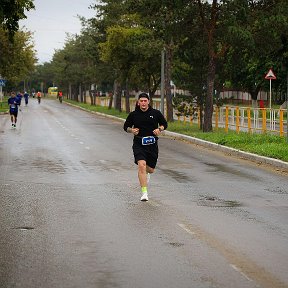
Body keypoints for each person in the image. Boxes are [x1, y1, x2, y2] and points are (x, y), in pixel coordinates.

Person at [123, 92, 168, 201]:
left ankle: (147, 173)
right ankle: (144, 193)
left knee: (151, 170)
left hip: (152, 145)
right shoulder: (133, 115)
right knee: (142, 165)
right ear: (138, 102)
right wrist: (132, 130)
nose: (143, 103)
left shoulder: (156, 113)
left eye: (145, 101)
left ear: (148, 102)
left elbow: (164, 124)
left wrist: (159, 129)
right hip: (139, 144)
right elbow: (126, 127)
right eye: (141, 101)